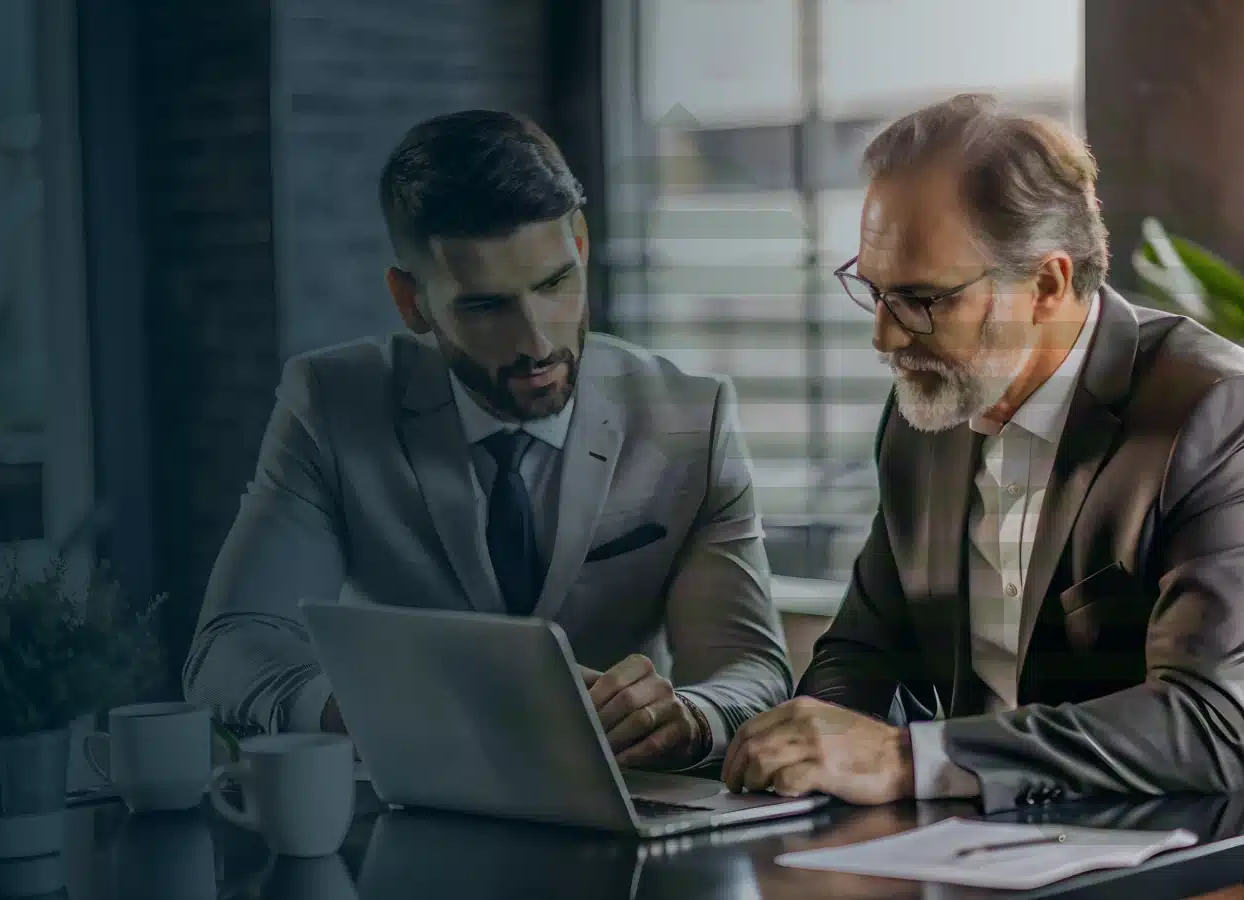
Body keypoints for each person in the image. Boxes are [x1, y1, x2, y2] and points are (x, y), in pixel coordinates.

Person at [719, 94, 1244, 900]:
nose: (886, 337)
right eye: (875, 290)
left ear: (1047, 282)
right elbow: (864, 649)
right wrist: (808, 752)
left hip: (1230, 863)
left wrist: (906, 759)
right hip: (1007, 859)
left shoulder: (1218, 413)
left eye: (924, 301)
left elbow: (1205, 728)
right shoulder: (927, 417)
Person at [184, 110, 792, 771]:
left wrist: (691, 718)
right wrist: (361, 707)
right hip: (416, 815)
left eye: (555, 283)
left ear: (581, 247)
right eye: (485, 306)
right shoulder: (331, 405)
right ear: (411, 301)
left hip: (631, 812)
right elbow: (229, 649)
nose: (537, 343)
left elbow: (751, 669)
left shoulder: (690, 420)